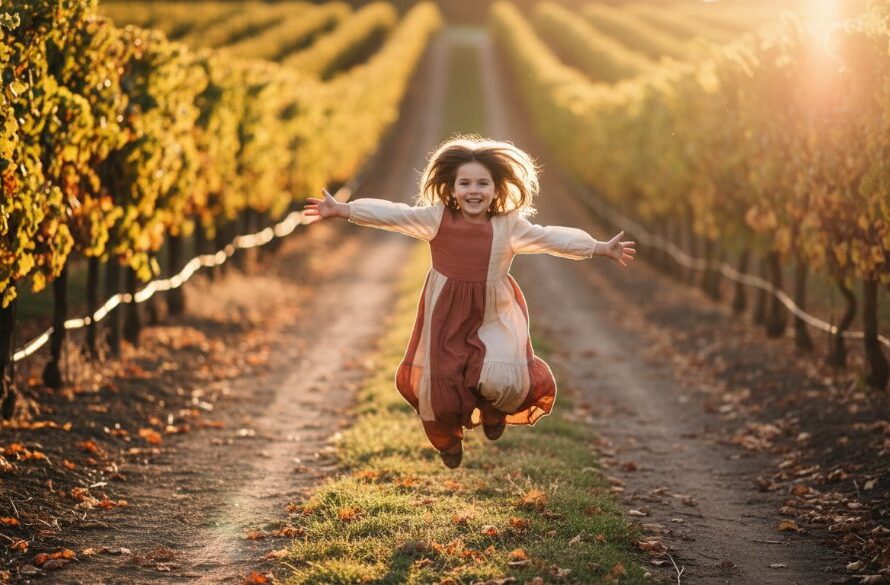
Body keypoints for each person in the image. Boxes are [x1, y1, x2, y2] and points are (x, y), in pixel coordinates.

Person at [304, 135, 635, 468]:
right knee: (441, 389)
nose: (473, 190)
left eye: (482, 183)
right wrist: (344, 209)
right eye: (465, 183)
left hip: (494, 311)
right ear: (452, 188)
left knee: (501, 377)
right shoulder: (437, 219)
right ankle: (448, 440)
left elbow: (550, 237)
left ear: (496, 189)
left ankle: (494, 412)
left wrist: (598, 247)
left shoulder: (508, 226)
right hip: (446, 313)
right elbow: (394, 215)